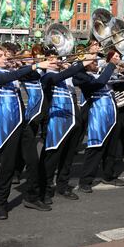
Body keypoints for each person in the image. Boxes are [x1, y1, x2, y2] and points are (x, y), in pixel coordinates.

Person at [0, 44, 52, 220]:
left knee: (32, 161)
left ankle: (32, 197)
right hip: (7, 125)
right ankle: (0, 203)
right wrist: (33, 65)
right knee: (7, 167)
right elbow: (8, 78)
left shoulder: (13, 71)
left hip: (23, 123)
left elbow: (35, 76)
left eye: (4, 54)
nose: (4, 58)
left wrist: (27, 64)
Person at [74, 51, 124, 193]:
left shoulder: (103, 73)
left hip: (112, 113)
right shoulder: (82, 77)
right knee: (96, 147)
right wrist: (111, 66)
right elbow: (99, 84)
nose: (96, 63)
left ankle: (108, 175)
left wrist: (122, 72)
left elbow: (120, 87)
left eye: (96, 61)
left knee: (112, 147)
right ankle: (85, 180)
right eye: (92, 62)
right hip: (97, 114)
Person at [39, 58, 88, 203]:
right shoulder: (46, 76)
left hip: (73, 121)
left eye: (58, 59)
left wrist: (71, 67)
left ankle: (63, 186)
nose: (57, 62)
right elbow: (57, 77)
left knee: (68, 158)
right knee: (52, 157)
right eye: (53, 60)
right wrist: (76, 66)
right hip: (56, 123)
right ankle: (45, 189)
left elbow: (85, 79)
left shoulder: (68, 75)